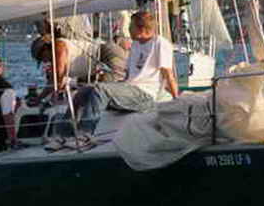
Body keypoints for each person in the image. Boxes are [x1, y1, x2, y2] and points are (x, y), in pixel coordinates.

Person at [50, 11, 178, 145]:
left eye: (131, 27)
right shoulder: (135, 44)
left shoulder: (160, 43)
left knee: (100, 90)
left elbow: (168, 74)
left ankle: (85, 134)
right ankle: (65, 135)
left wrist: (177, 99)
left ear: (141, 29)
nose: (128, 30)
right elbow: (129, 76)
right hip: (130, 89)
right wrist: (116, 86)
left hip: (145, 95)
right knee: (84, 92)